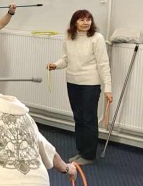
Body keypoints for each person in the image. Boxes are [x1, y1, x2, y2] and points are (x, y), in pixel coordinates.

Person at [47, 9, 112, 165]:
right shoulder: (69, 37)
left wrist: (108, 88)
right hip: (72, 82)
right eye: (82, 20)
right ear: (74, 22)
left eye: (88, 19)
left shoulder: (97, 38)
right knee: (78, 118)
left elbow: (103, 64)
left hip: (90, 84)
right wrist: (55, 65)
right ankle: (81, 151)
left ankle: (89, 156)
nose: (86, 23)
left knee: (89, 119)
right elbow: (65, 59)